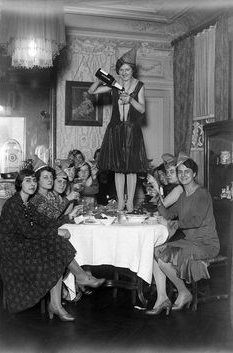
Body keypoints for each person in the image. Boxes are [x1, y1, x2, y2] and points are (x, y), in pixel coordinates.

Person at [0, 168, 76, 320]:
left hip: (24, 243)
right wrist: (56, 232)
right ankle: (76, 281)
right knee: (54, 245)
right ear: (20, 184)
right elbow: (29, 232)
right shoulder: (14, 203)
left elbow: (47, 223)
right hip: (12, 250)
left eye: (34, 180)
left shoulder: (28, 203)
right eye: (28, 180)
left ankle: (57, 303)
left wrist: (69, 218)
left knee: (56, 246)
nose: (32, 184)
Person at [146, 155, 220, 315]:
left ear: (194, 174)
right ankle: (168, 295)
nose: (183, 174)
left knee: (163, 257)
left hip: (206, 244)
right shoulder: (182, 196)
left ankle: (183, 292)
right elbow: (168, 214)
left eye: (187, 171)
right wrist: (158, 198)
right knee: (156, 250)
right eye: (180, 172)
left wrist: (176, 224)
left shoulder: (202, 193)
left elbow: (196, 220)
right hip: (190, 241)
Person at [29, 162, 105, 293]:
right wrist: (68, 199)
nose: (50, 181)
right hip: (35, 239)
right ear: (37, 180)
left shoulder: (48, 196)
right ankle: (79, 279)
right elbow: (51, 218)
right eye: (46, 178)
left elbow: (53, 221)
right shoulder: (36, 198)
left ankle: (79, 280)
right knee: (61, 243)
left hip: (46, 235)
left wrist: (71, 216)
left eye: (50, 177)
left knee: (74, 240)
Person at [88, 47, 148, 212]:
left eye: (127, 69)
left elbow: (142, 110)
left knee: (131, 168)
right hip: (115, 130)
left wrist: (130, 100)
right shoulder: (114, 85)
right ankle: (121, 202)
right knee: (118, 168)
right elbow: (91, 91)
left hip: (131, 130)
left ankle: (130, 203)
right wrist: (99, 79)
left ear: (132, 70)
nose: (124, 72)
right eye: (121, 70)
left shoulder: (139, 86)